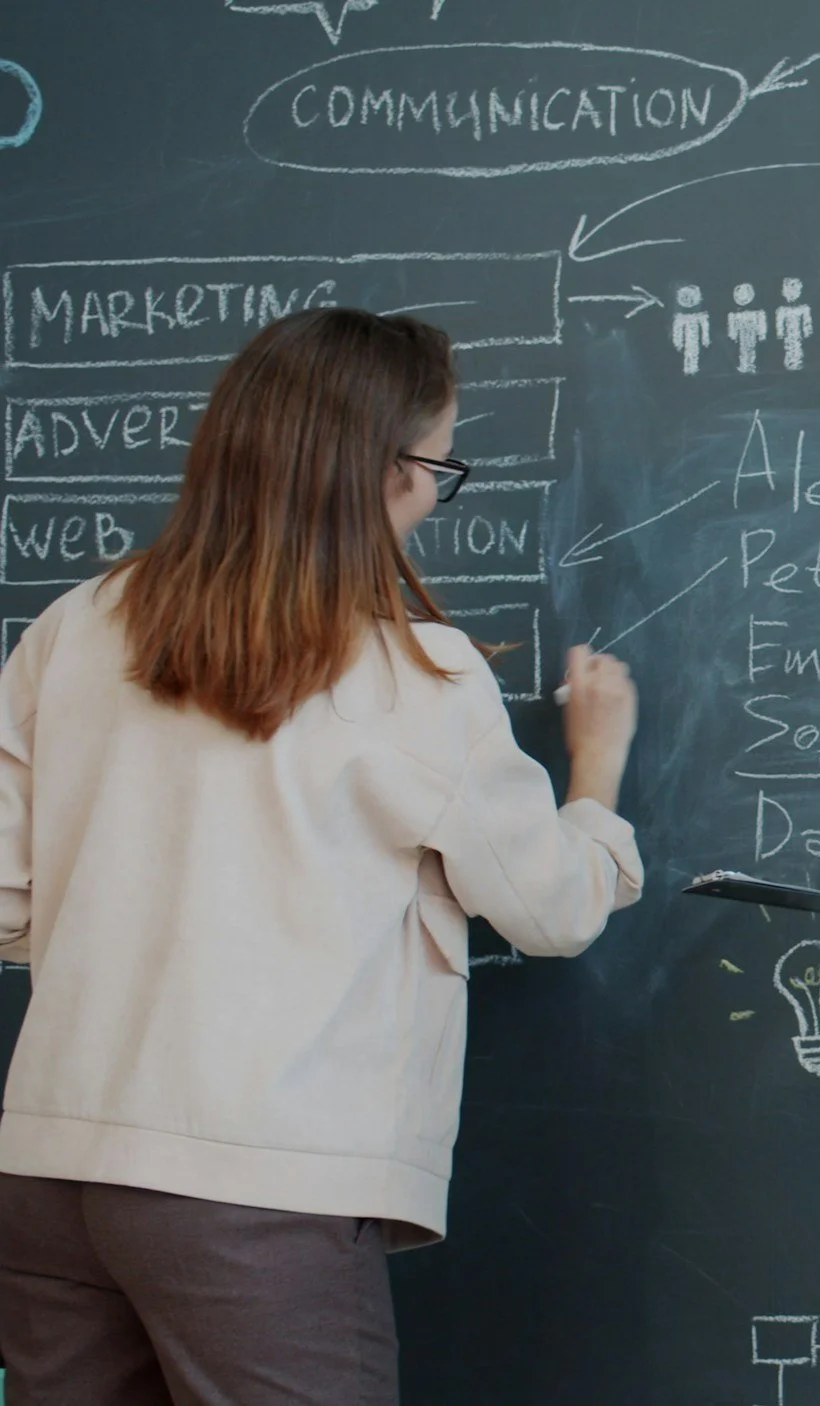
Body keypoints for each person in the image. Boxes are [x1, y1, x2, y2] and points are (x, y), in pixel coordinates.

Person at [0, 308, 644, 1403]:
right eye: (442, 461)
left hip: (50, 1169)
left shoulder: (77, 623)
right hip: (258, 1189)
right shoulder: (415, 675)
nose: (439, 492)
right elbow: (557, 907)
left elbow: (7, 906)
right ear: (386, 470)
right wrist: (598, 768)